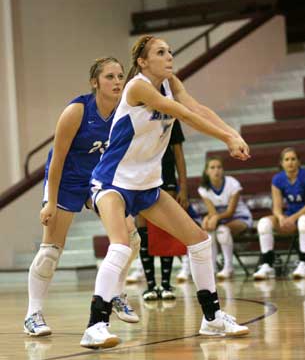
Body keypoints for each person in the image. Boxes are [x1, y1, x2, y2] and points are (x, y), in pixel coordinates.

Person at [80, 35, 250, 350]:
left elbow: (196, 107)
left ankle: (212, 318)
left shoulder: (170, 81)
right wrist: (226, 139)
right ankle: (95, 325)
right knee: (120, 246)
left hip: (147, 185)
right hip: (113, 182)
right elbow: (183, 115)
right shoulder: (138, 86)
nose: (169, 56)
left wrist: (231, 131)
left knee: (199, 241)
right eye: (160, 52)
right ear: (143, 61)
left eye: (170, 51)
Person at [24, 57, 140, 337]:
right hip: (68, 179)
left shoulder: (125, 110)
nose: (117, 82)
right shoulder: (77, 110)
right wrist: (50, 201)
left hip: (100, 178)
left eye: (120, 76)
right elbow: (57, 160)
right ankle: (33, 314)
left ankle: (115, 295)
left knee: (130, 237)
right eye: (110, 77)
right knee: (50, 251)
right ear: (95, 82)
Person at [128, 119, 188, 300]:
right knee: (143, 229)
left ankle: (166, 284)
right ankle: (151, 286)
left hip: (166, 176)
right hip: (139, 177)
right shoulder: (132, 112)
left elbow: (178, 153)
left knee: (166, 229)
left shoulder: (169, 114)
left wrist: (183, 187)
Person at [253, 147, 305, 280]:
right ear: (281, 163)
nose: (290, 162)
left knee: (304, 221)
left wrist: (292, 218)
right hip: (291, 215)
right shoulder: (277, 179)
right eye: (287, 159)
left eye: (293, 159)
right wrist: (281, 217)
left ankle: (304, 263)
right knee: (263, 223)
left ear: (299, 161)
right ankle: (267, 264)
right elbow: (276, 207)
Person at [198, 156, 253, 279]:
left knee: (222, 231)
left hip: (240, 217)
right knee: (209, 232)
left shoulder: (233, 184)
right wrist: (208, 218)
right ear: (206, 171)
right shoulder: (203, 189)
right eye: (212, 167)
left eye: (219, 167)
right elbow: (213, 212)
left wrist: (213, 218)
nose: (216, 170)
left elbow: (230, 212)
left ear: (223, 170)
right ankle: (212, 267)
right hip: (222, 220)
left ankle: (228, 267)